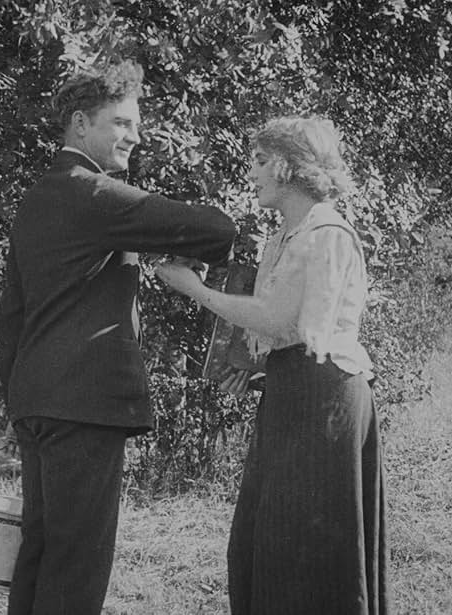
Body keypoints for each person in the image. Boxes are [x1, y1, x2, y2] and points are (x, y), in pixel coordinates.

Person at [0, 60, 236, 615]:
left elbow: (11, 318)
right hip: (85, 405)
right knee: (77, 567)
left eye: (136, 124)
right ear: (81, 124)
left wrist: (23, 395)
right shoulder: (93, 192)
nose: (135, 134)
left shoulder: (37, 197)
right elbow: (215, 228)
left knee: (41, 551)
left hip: (38, 402)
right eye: (121, 123)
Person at [157, 116, 390, 615]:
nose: (253, 173)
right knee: (264, 538)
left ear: (288, 165)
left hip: (325, 399)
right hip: (294, 391)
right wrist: (258, 366)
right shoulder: (287, 236)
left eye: (261, 161)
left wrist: (196, 290)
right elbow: (290, 331)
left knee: (307, 542)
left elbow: (279, 318)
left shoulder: (325, 232)